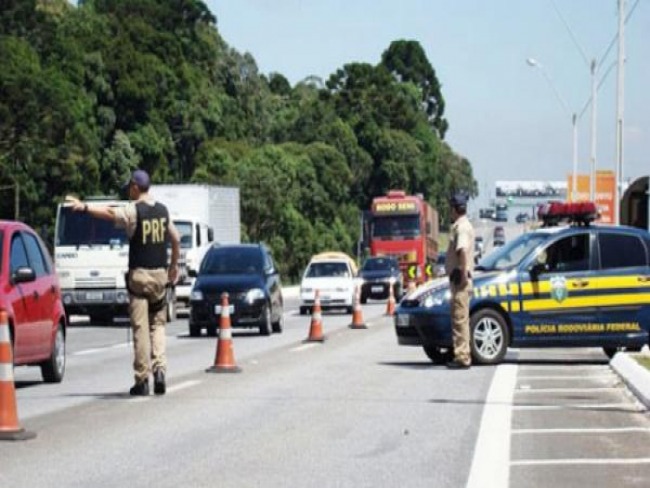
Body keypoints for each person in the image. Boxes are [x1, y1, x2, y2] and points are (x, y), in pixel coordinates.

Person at [66, 169, 180, 395]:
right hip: (159, 276)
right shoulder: (163, 211)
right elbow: (175, 239)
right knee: (158, 325)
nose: (129, 190)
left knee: (140, 328)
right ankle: (160, 370)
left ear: (136, 187)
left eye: (130, 187)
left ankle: (141, 379)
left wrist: (85, 207)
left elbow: (110, 212)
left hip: (139, 278)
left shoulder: (133, 210)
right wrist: (173, 266)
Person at [445, 192, 475, 369]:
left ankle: (462, 356)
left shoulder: (461, 227)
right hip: (458, 279)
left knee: (459, 318)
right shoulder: (460, 226)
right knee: (459, 318)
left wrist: (463, 275)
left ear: (455, 209)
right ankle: (461, 352)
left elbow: (462, 251)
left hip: (460, 280)